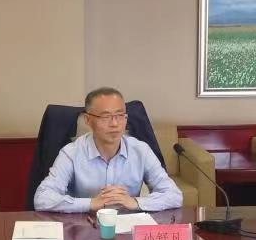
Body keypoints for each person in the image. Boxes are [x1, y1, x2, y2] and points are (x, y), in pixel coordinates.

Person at [33, 87, 182, 213]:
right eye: (106, 117)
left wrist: (135, 202)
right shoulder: (71, 153)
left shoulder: (141, 150)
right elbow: (42, 198)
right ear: (88, 120)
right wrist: (91, 203)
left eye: (120, 115)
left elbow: (174, 195)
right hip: (85, 227)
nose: (115, 124)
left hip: (128, 228)